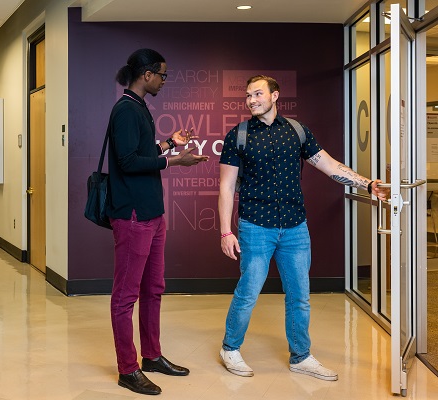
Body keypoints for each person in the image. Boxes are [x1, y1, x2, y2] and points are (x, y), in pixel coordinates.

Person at [217, 75, 389, 381]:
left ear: (275, 95)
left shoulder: (297, 131)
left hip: (295, 227)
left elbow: (330, 165)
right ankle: (230, 348)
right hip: (256, 226)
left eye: (257, 93)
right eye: (247, 95)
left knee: (299, 295)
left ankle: (301, 356)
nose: (251, 100)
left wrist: (367, 183)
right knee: (249, 292)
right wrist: (225, 232)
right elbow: (227, 187)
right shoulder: (238, 135)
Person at [106, 48, 209, 396]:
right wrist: (175, 162)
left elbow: (141, 153)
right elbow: (128, 162)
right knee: (125, 296)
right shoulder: (124, 110)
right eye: (162, 75)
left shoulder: (139, 108)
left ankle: (151, 356)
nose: (164, 80)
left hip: (152, 213)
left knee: (154, 290)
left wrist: (168, 143)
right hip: (133, 215)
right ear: (146, 74)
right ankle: (127, 369)